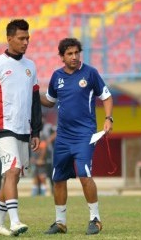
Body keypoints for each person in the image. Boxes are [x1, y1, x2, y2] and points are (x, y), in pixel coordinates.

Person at [0, 19, 42, 237]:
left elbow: (35, 102)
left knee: (13, 176)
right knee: (12, 170)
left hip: (24, 129)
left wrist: (36, 131)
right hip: (2, 128)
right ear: (9, 38)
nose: (26, 42)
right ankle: (15, 221)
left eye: (27, 38)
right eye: (21, 38)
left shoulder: (31, 66)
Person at [40, 38, 113, 235]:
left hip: (85, 135)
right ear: (62, 57)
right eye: (69, 54)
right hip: (62, 136)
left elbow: (106, 96)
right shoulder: (56, 77)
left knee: (84, 175)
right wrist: (32, 91)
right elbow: (49, 101)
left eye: (76, 53)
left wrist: (108, 118)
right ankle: (60, 222)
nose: (74, 57)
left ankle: (95, 219)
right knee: (58, 178)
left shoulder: (90, 73)